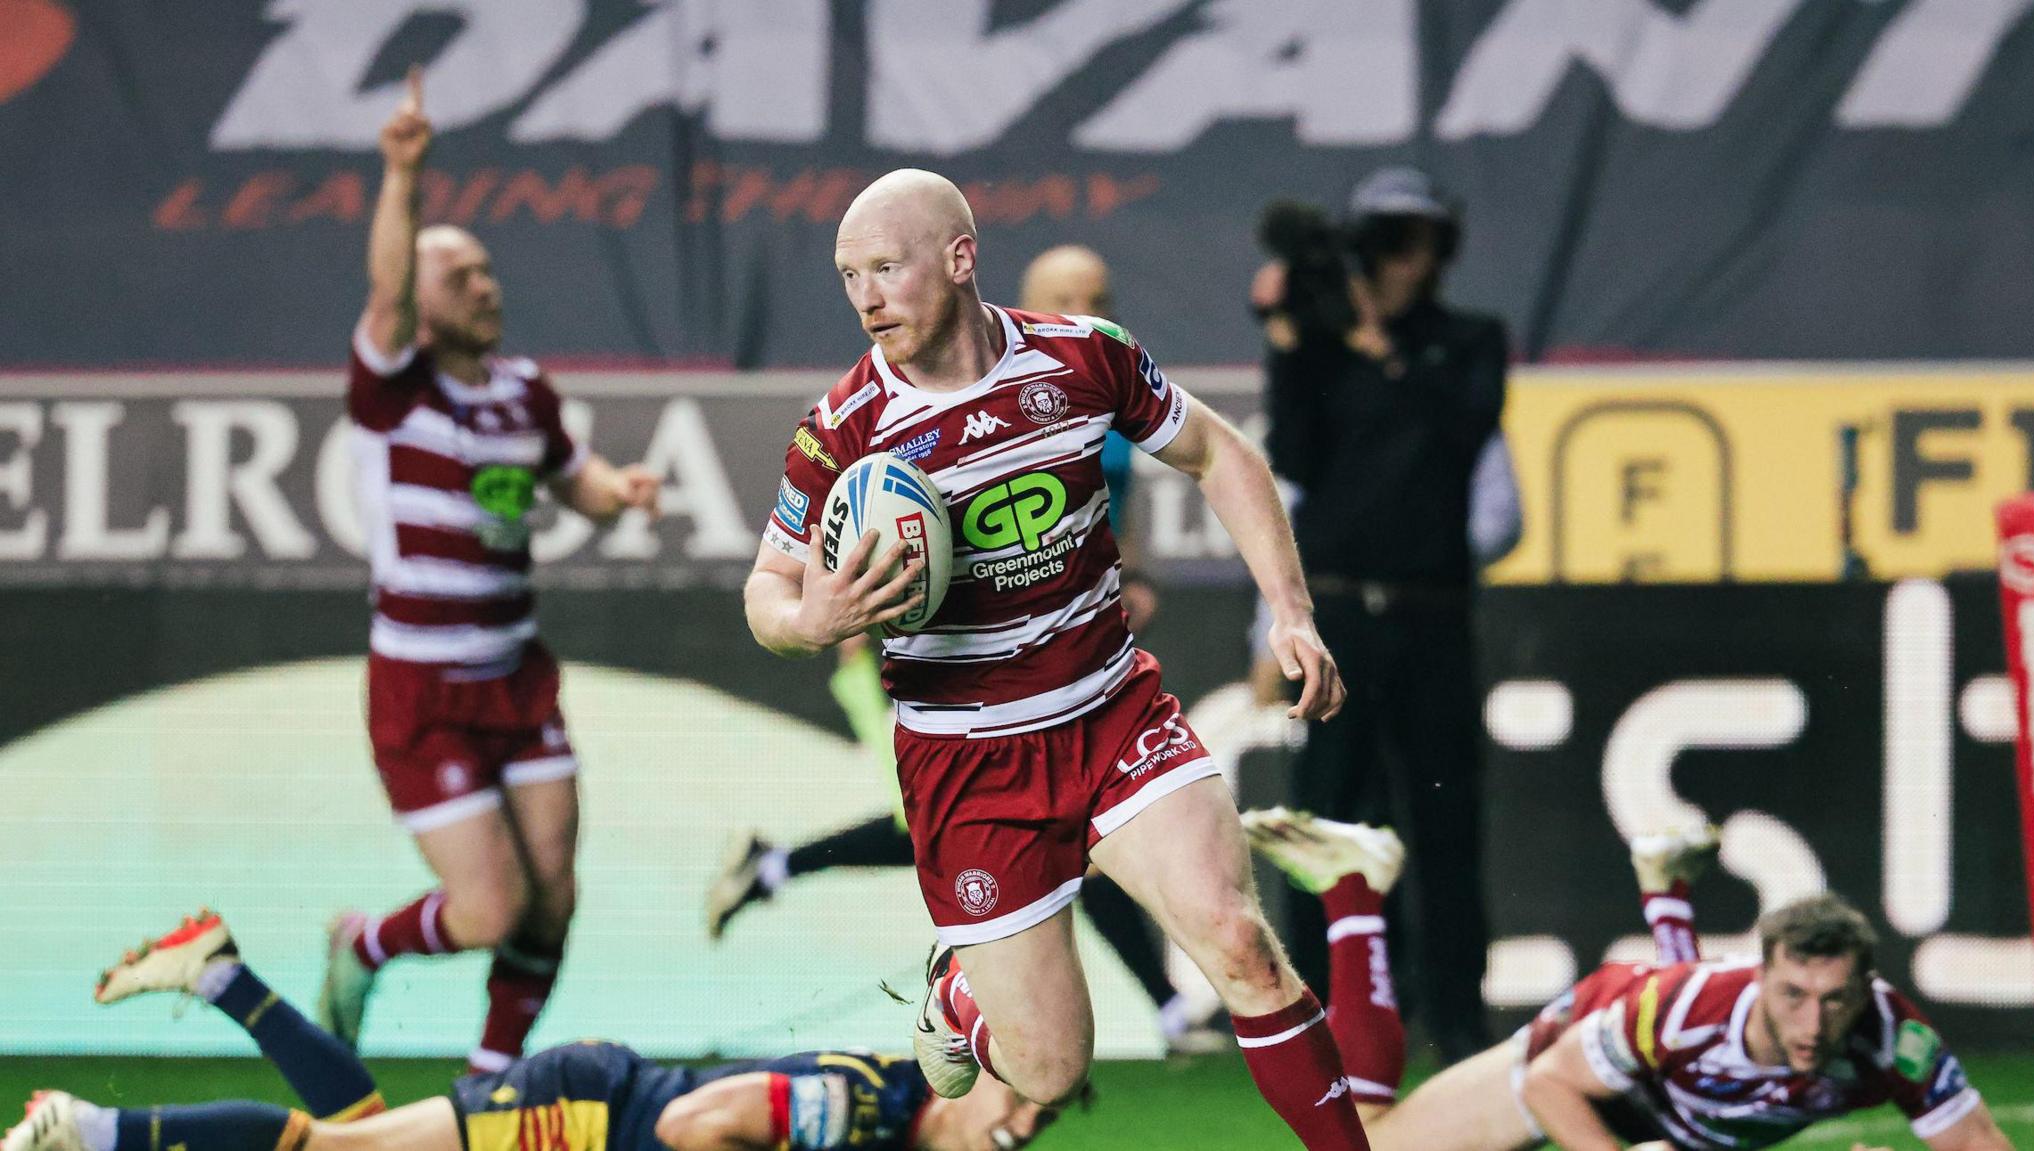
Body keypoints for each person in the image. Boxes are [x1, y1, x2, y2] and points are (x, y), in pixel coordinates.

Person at [743, 168, 1368, 1151]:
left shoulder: (1083, 358)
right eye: (846, 274)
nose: (863, 295)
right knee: (1048, 1066)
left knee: (1240, 941)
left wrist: (1290, 611)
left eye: (884, 267)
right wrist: (810, 614)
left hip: (1109, 707)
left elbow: (1222, 454)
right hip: (966, 759)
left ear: (959, 258)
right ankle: (957, 989)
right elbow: (764, 594)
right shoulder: (845, 428)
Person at [705, 242, 1220, 1053]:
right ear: (1019, 290)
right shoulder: (908, 403)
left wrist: (1137, 572)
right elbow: (864, 524)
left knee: (1070, 825)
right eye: (1073, 291)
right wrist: (842, 625)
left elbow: (1112, 499)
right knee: (940, 823)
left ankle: (1156, 1001)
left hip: (1063, 652)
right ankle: (804, 882)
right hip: (922, 664)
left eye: (1103, 289)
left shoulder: (1085, 375)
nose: (1093, 302)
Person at [321, 67, 661, 1073]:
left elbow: (577, 483)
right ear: (418, 306)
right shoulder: (392, 389)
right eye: (461, 275)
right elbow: (385, 285)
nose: (487, 285)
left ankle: (490, 1079)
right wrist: (402, 174)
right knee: (489, 905)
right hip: (421, 687)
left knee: (553, 892)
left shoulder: (524, 391)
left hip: (517, 673)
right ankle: (366, 943)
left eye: (486, 270)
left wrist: (619, 490)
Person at [1240, 812, 2017, 1151]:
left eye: (1835, 1000)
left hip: (1678, 1104)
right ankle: (1353, 886)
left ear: (1867, 989)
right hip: (1586, 1054)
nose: (1815, 1022)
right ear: (1762, 970)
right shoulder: (1685, 1009)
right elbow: (1550, 1084)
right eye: (1793, 996)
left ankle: (1665, 886)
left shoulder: (1894, 1036)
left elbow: (1974, 1137)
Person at [6, 911, 1050, 1151]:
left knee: (358, 1134)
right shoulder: (868, 1107)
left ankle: (222, 972)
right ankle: (86, 1129)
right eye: (1018, 1102)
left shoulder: (888, 1106)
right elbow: (698, 1122)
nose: (1015, 1131)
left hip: (589, 1097)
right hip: (584, 1116)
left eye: (1035, 1123)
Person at [1251, 166, 1520, 1060]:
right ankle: (1319, 1014)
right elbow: (1295, 454)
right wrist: (1294, 342)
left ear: (1442, 249)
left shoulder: (1469, 341)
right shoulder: (1323, 349)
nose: (1399, 259)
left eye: (1416, 241)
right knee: (1326, 815)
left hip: (1432, 610)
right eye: (1383, 241)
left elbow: (1461, 430)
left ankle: (1454, 1017)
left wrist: (1379, 346)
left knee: (1444, 818)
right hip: (1340, 614)